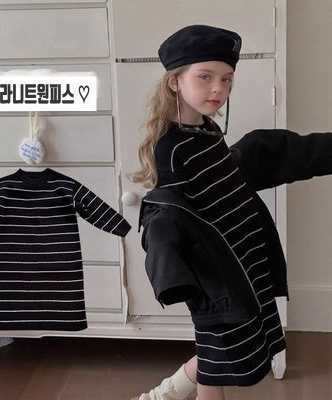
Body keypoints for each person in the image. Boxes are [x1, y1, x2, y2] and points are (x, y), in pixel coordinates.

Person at [130, 24, 332, 400]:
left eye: (226, 79)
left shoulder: (206, 131)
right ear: (174, 82)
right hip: (217, 280)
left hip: (243, 263)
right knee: (216, 361)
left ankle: (164, 395)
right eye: (205, 77)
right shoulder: (172, 148)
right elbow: (173, 216)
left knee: (224, 354)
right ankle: (163, 395)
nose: (218, 89)